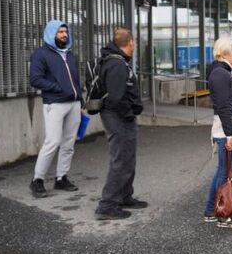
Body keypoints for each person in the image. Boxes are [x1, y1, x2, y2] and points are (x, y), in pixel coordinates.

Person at [95, 27, 146, 221]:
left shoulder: (115, 61)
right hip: (118, 118)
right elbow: (116, 98)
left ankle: (124, 196)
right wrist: (130, 113)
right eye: (134, 42)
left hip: (118, 117)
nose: (134, 46)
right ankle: (107, 205)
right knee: (120, 159)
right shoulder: (116, 64)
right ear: (130, 42)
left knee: (127, 157)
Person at [28, 20, 83, 197]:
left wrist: (80, 100)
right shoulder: (40, 54)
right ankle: (37, 180)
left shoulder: (70, 55)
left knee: (69, 144)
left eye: (65, 32)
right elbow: (35, 79)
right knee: (52, 142)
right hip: (55, 103)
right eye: (60, 32)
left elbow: (76, 81)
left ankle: (61, 178)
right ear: (51, 34)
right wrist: (59, 88)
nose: (64, 35)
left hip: (74, 104)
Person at [204, 37, 232, 229]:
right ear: (223, 52)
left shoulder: (222, 72)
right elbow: (222, 106)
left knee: (222, 170)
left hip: (230, 128)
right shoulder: (221, 74)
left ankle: (211, 211)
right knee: (225, 172)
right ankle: (223, 215)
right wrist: (231, 135)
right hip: (226, 130)